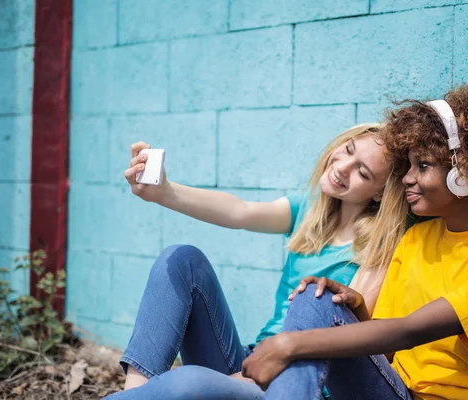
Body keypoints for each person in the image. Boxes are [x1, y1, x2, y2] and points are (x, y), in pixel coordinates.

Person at [241, 74, 468, 400]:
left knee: (301, 339)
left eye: (423, 166)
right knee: (313, 297)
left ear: (465, 175)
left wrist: (287, 344)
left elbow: (410, 331)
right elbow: (385, 348)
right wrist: (355, 306)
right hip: (395, 390)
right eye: (409, 166)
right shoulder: (417, 237)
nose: (408, 179)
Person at [106, 123, 409, 399]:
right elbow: (240, 211)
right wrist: (164, 192)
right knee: (181, 260)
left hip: (297, 383)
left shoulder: (378, 249)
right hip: (252, 361)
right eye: (347, 150)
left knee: (186, 383)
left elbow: (357, 344)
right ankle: (134, 392)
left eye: (362, 172)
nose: (342, 167)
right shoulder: (309, 211)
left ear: (381, 192)